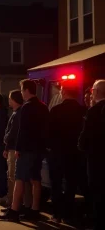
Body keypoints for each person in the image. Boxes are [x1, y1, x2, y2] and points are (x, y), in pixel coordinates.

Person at [1, 79, 49, 222]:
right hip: (39, 149)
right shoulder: (43, 106)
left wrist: (18, 148)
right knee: (36, 179)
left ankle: (14, 210)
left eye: (22, 90)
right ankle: (34, 209)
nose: (21, 93)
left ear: (27, 90)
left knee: (19, 178)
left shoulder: (26, 107)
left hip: (26, 148)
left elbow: (23, 130)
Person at [47, 82, 86, 223]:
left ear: (63, 92)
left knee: (56, 183)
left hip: (57, 153)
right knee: (71, 184)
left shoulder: (56, 110)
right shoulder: (83, 110)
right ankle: (68, 215)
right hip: (75, 154)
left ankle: (57, 214)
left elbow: (49, 132)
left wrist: (49, 147)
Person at [79, 79, 105, 230]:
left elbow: (85, 135)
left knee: (97, 190)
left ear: (95, 92)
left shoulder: (94, 111)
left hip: (96, 158)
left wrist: (82, 146)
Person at [1, 90, 32, 211]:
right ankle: (17, 203)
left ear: (13, 99)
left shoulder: (19, 113)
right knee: (14, 177)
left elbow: (13, 132)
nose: (8, 101)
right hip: (12, 148)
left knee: (14, 178)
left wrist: (6, 140)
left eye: (9, 98)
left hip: (15, 149)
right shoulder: (16, 112)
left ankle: (15, 204)